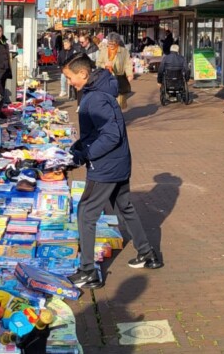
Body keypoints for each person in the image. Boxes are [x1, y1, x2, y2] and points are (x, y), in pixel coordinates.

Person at [62, 54, 162, 289]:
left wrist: (86, 154)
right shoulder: (97, 92)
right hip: (117, 162)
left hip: (106, 166)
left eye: (69, 77)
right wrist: (77, 149)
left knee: (86, 212)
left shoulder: (95, 98)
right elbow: (96, 133)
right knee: (124, 206)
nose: (68, 82)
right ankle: (147, 254)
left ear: (83, 74)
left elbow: (110, 135)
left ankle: (88, 271)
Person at [97, 32, 134, 109]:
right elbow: (98, 63)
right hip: (106, 77)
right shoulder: (104, 50)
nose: (111, 46)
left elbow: (127, 64)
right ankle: (111, 116)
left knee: (119, 101)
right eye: (109, 44)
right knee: (108, 99)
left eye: (113, 44)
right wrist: (105, 65)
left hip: (119, 78)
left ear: (117, 42)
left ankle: (118, 116)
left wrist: (129, 74)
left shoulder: (124, 51)